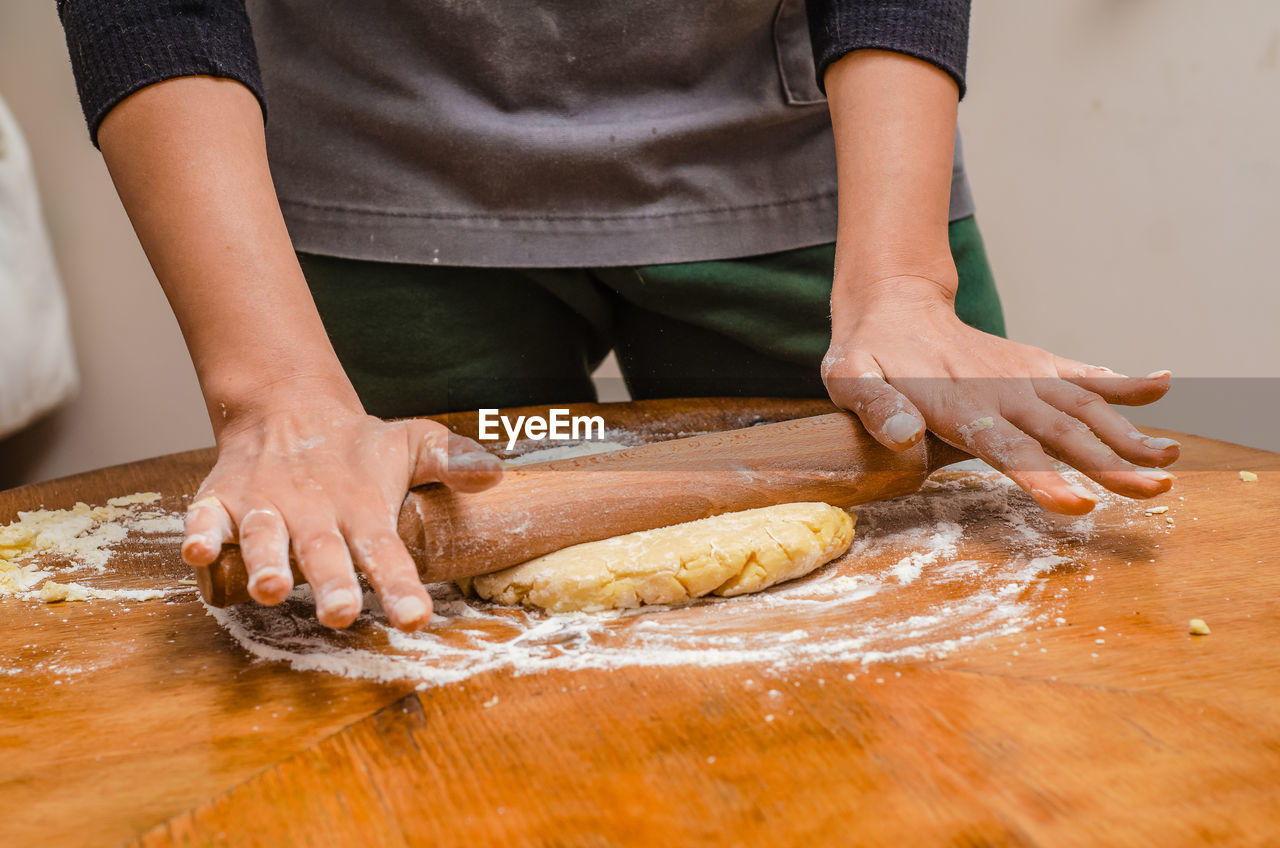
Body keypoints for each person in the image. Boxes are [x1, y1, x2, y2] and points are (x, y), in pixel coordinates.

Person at [57, 1, 1177, 633]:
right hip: (370, 152)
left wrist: (899, 284)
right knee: (376, 633)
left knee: (960, 602)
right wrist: (274, 392)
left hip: (803, 134)